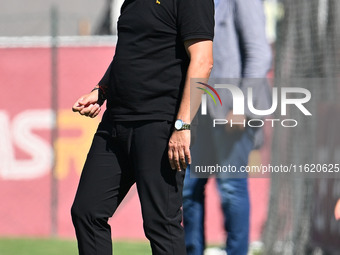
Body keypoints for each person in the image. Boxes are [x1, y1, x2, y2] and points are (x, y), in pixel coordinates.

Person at [70, 0, 214, 254]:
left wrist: (182, 126)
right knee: (87, 211)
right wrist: (101, 90)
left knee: (161, 225)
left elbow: (203, 61)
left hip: (160, 125)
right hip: (115, 124)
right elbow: (130, 52)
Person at [182, 0, 272, 254]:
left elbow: (259, 54)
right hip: (201, 111)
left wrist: (241, 105)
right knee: (188, 189)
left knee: (231, 187)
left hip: (234, 112)